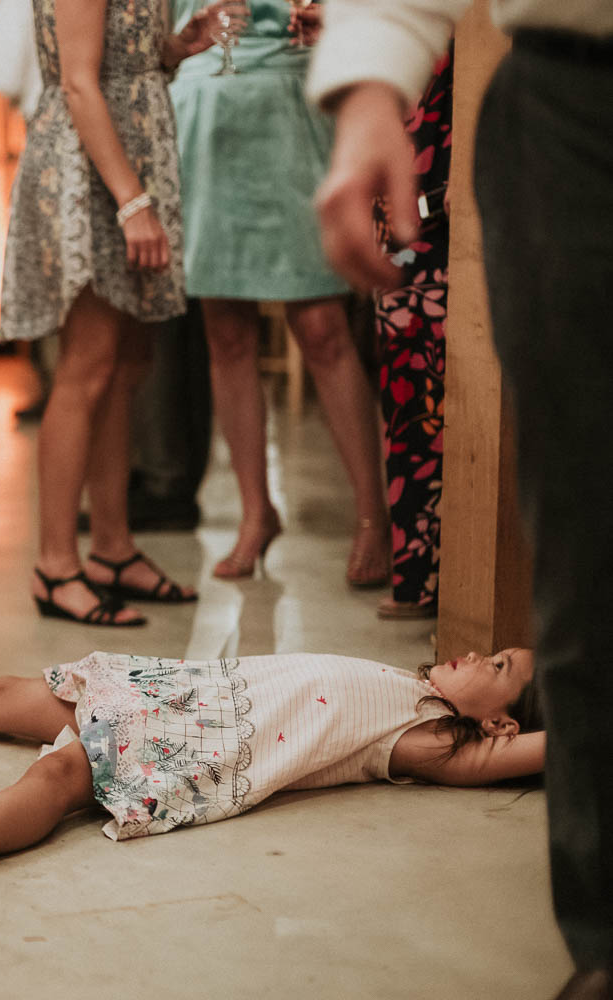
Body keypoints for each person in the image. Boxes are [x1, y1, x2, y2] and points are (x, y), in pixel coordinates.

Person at [308, 3, 613, 996]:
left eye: (490, 663)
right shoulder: (425, 729)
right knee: (585, 535)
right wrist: (369, 88)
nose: (476, 658)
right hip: (578, 94)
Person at [0, 619, 542, 888]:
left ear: (502, 726)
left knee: (61, 775)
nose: (480, 655)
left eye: (499, 668)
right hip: (185, 691)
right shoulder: (410, 685)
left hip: (202, 743)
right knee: (4, 695)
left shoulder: (431, 740)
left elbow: (528, 756)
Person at [0, 0, 238, 624]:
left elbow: (122, 52)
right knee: (88, 366)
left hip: (131, 148)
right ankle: (54, 565)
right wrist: (132, 202)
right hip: (91, 162)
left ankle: (112, 548)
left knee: (129, 363)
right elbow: (78, 79)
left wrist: (177, 47)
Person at [167, 0, 387, 585]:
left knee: (322, 326)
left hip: (290, 101)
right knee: (227, 333)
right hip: (205, 102)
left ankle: (374, 517)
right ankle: (255, 514)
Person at [372, 46, 453, 621]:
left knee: (459, 392)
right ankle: (418, 574)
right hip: (403, 196)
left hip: (457, 173)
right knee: (406, 392)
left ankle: (459, 580)